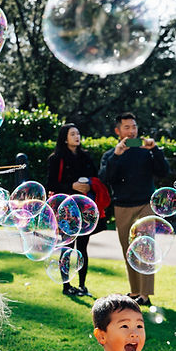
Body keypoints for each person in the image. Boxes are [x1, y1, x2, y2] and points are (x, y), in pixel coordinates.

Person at [98, 112, 169, 306]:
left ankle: (145, 295)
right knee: (128, 249)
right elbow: (106, 179)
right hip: (122, 206)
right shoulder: (110, 155)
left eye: (134, 127)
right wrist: (117, 155)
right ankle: (136, 290)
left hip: (145, 204)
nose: (131, 131)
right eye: (127, 127)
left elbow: (164, 172)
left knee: (146, 248)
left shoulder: (146, 151)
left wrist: (156, 150)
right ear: (118, 131)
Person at [47, 123, 105, 297]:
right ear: (65, 138)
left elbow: (96, 177)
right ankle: (66, 285)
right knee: (67, 246)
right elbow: (50, 184)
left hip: (84, 207)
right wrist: (71, 185)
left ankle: (82, 285)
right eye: (72, 134)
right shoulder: (56, 158)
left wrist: (89, 184)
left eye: (78, 133)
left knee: (83, 247)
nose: (77, 137)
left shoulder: (86, 157)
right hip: (66, 209)